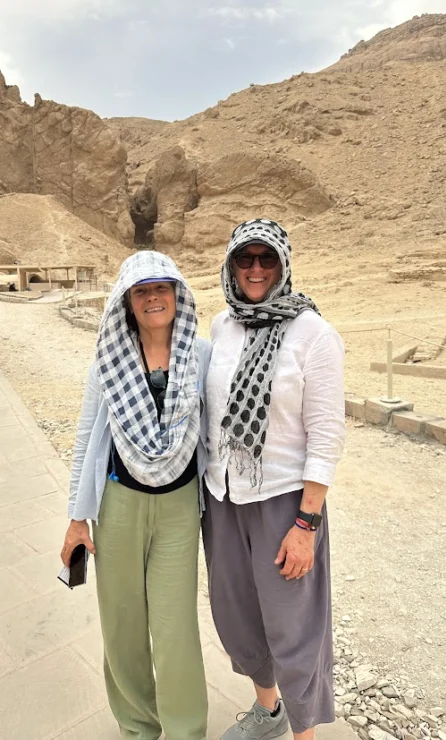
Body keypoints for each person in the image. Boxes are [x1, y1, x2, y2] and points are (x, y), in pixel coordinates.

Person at [203, 218, 346, 740]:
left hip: (285, 504)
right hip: (222, 498)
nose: (256, 269)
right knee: (237, 616)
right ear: (231, 265)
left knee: (295, 632)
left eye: (267, 259)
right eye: (246, 259)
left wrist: (306, 524)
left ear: (283, 265)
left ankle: (304, 733)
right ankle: (269, 713)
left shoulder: (314, 334)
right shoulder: (222, 326)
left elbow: (326, 434)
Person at [60, 250, 210, 740]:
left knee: (175, 627)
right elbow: (86, 437)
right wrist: (77, 518)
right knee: (122, 623)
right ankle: (137, 727)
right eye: (142, 291)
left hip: (179, 508)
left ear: (177, 296)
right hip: (118, 504)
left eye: (161, 288)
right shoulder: (108, 360)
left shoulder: (202, 355)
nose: (152, 298)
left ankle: (186, 729)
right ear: (128, 302)